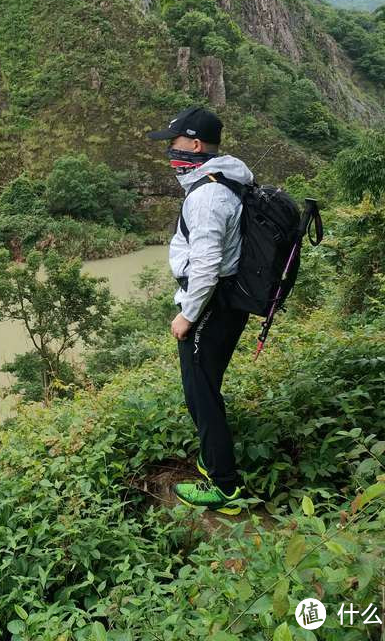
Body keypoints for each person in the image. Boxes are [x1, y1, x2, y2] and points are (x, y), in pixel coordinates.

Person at [145, 105, 254, 515]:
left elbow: (207, 264)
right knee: (206, 385)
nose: (169, 153)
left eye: (173, 144)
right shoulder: (226, 179)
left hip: (211, 303)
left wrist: (187, 314)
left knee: (201, 393)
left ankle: (224, 488)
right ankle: (214, 461)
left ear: (194, 144)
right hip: (226, 301)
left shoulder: (207, 195)